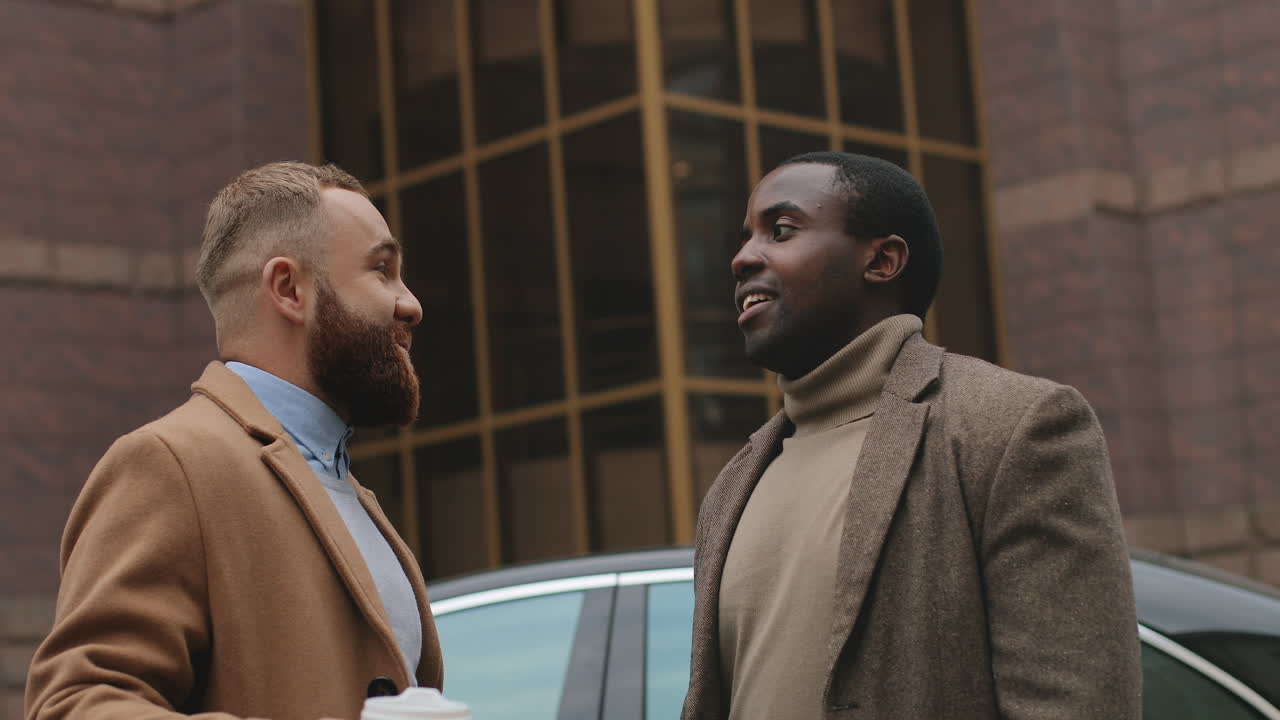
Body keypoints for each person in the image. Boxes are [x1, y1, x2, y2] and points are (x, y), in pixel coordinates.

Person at [681, 152, 1141, 719]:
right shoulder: (734, 485)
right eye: (747, 236)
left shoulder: (1013, 426)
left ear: (882, 261)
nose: (743, 258)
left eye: (781, 230)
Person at [25, 162, 442, 720]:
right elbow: (74, 704)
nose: (410, 303)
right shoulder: (170, 464)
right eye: (382, 270)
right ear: (289, 289)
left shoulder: (339, 485)